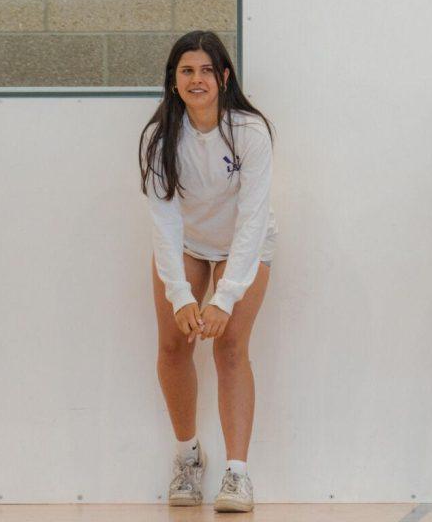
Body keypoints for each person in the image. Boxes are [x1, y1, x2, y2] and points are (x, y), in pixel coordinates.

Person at [140, 30, 277, 512]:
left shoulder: (250, 132)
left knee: (230, 346)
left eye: (204, 71)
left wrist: (225, 296)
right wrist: (181, 295)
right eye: (186, 71)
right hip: (188, 246)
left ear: (223, 77)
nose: (196, 80)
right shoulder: (160, 140)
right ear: (174, 80)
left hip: (246, 245)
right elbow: (164, 220)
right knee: (174, 344)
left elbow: (253, 219)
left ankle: (237, 474)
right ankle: (188, 456)